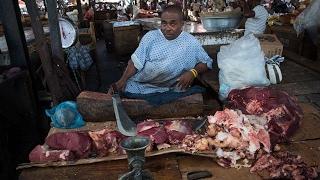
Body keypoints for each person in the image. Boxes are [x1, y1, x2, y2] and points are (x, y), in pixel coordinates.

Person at [108, 5, 213, 105]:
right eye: (164, 23)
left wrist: (193, 72)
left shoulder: (190, 42)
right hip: (141, 86)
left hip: (170, 88)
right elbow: (135, 63)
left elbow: (206, 62)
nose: (167, 28)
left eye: (173, 24)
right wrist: (121, 82)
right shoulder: (151, 38)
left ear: (182, 24)